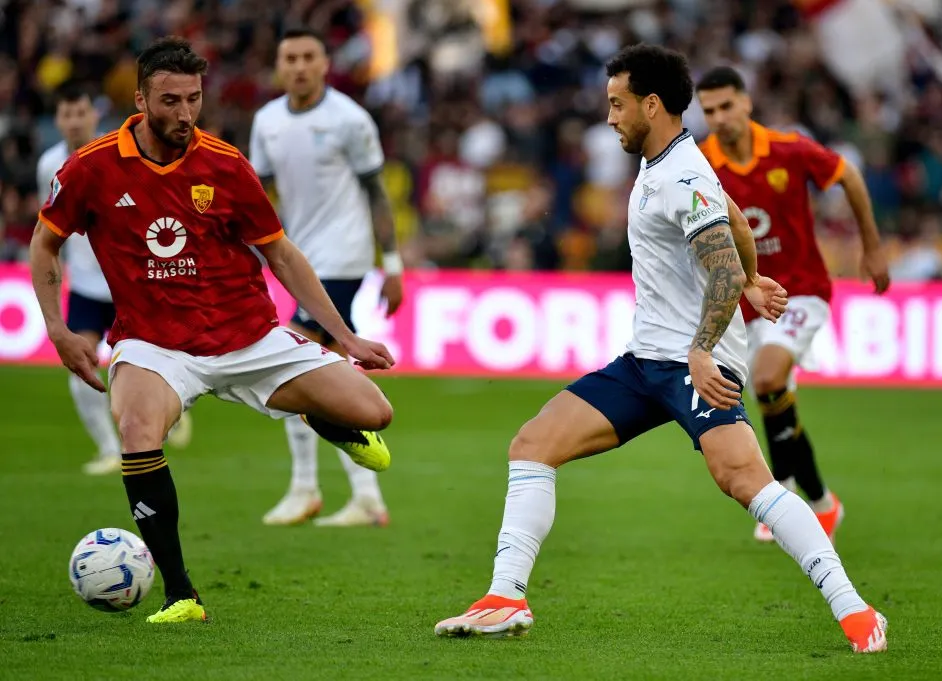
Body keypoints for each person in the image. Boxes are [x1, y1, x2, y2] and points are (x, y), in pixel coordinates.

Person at [434, 45, 887, 654]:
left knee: (746, 482)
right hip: (644, 361)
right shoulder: (671, 163)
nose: (610, 116)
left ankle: (856, 611)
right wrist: (752, 278)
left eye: (618, 104)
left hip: (692, 365)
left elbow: (720, 268)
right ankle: (505, 597)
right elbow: (735, 221)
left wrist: (707, 344)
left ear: (652, 104)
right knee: (533, 444)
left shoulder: (679, 173)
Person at [30, 37, 395, 624]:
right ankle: (181, 595)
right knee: (137, 427)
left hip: (249, 336)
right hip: (155, 345)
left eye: (193, 100)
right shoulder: (91, 167)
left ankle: (326, 417)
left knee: (375, 412)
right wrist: (57, 327)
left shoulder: (225, 164)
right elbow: (44, 243)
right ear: (141, 98)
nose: (183, 114)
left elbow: (281, 256)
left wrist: (345, 337)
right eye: (170, 100)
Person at [695, 66, 890, 544]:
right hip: (744, 302)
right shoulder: (700, 163)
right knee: (770, 395)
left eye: (726, 106)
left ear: (746, 103)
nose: (719, 117)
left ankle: (778, 494)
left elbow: (849, 176)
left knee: (766, 378)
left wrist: (871, 245)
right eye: (709, 110)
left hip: (800, 289)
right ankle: (822, 502)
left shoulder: (789, 149)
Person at [249, 27, 402, 528]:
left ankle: (305, 487)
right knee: (325, 371)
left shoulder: (350, 120)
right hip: (301, 256)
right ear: (279, 64)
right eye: (288, 56)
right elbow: (257, 195)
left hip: (345, 254)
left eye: (307, 56)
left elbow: (377, 192)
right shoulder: (267, 121)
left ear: (324, 63)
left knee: (293, 358)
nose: (298, 66)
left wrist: (393, 262)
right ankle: (367, 496)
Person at [37, 82, 194, 475]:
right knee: (82, 370)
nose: (74, 122)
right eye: (66, 115)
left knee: (160, 367)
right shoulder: (48, 166)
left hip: (132, 285)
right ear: (58, 120)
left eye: (81, 113)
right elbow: (49, 231)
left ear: (94, 115)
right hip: (88, 287)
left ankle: (171, 411)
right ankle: (111, 450)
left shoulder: (118, 155)